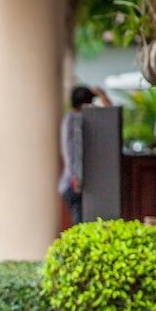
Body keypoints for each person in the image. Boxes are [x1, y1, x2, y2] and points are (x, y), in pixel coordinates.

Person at [59, 85, 111, 224]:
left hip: (71, 181)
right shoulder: (77, 120)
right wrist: (102, 95)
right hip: (75, 181)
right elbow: (110, 115)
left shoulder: (70, 119)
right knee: (82, 224)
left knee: (81, 223)